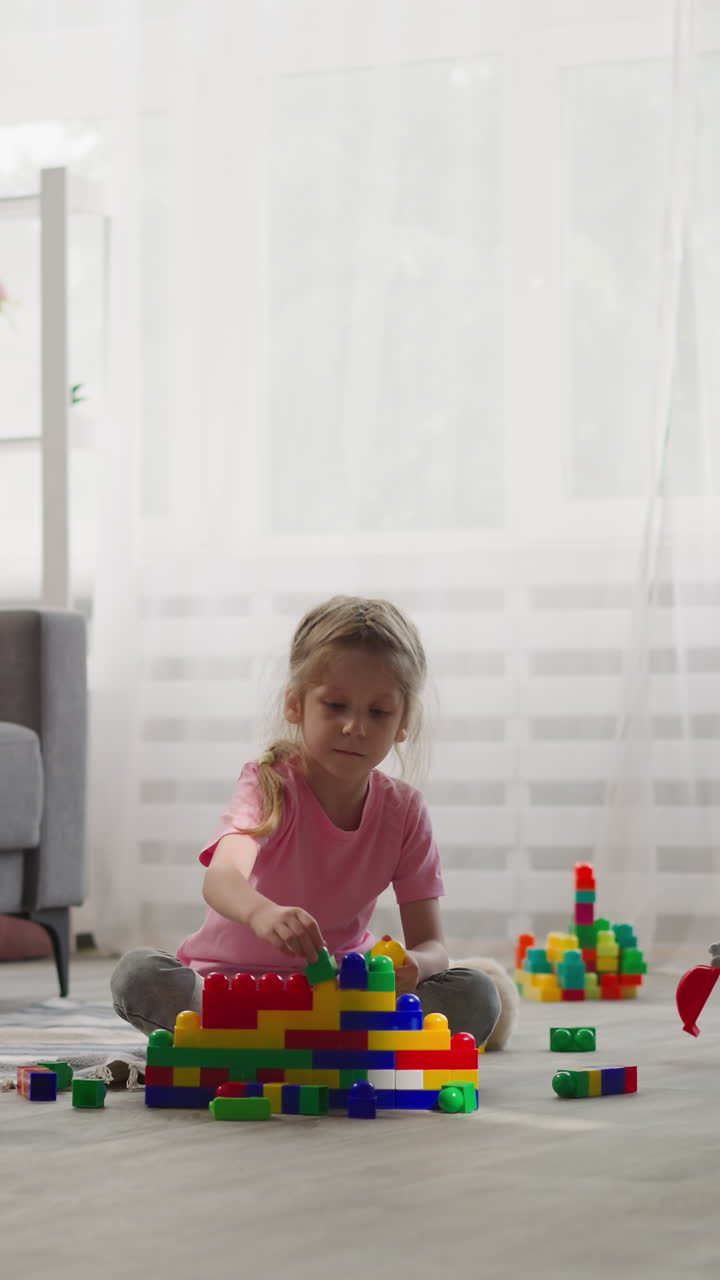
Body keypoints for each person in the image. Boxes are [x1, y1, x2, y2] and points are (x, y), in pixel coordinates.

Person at [111, 595, 512, 1049]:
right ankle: (313, 1047)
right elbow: (221, 878)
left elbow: (432, 944)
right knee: (138, 973)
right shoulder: (268, 783)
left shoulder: (405, 812)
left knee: (476, 993)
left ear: (403, 722)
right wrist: (261, 912)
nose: (355, 726)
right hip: (230, 991)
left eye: (377, 712)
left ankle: (266, 1048)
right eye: (336, 705)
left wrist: (415, 967)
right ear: (295, 705)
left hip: (343, 998)